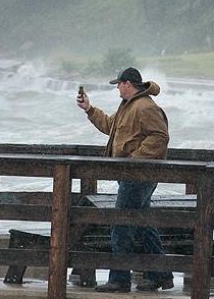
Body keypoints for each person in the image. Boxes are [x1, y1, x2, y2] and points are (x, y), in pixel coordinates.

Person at [76, 67, 174, 293]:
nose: (117, 88)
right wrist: (89, 109)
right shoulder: (128, 106)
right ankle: (160, 274)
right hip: (133, 175)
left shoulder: (145, 106)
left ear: (128, 84)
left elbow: (160, 137)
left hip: (138, 175)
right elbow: (111, 127)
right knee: (143, 224)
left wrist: (134, 160)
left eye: (119, 84)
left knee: (121, 223)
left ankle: (119, 279)